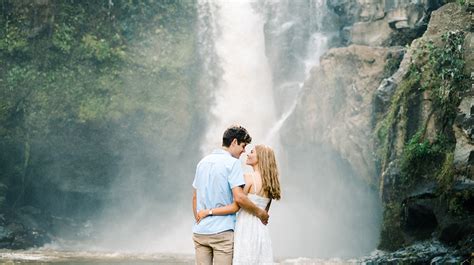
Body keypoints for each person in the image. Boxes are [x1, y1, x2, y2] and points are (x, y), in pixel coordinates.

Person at [192, 125, 269, 265]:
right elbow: (239, 199)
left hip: (200, 231)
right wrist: (260, 213)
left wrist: (199, 219)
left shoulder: (202, 163)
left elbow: (195, 197)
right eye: (243, 146)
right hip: (222, 232)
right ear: (234, 142)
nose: (244, 151)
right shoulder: (233, 164)